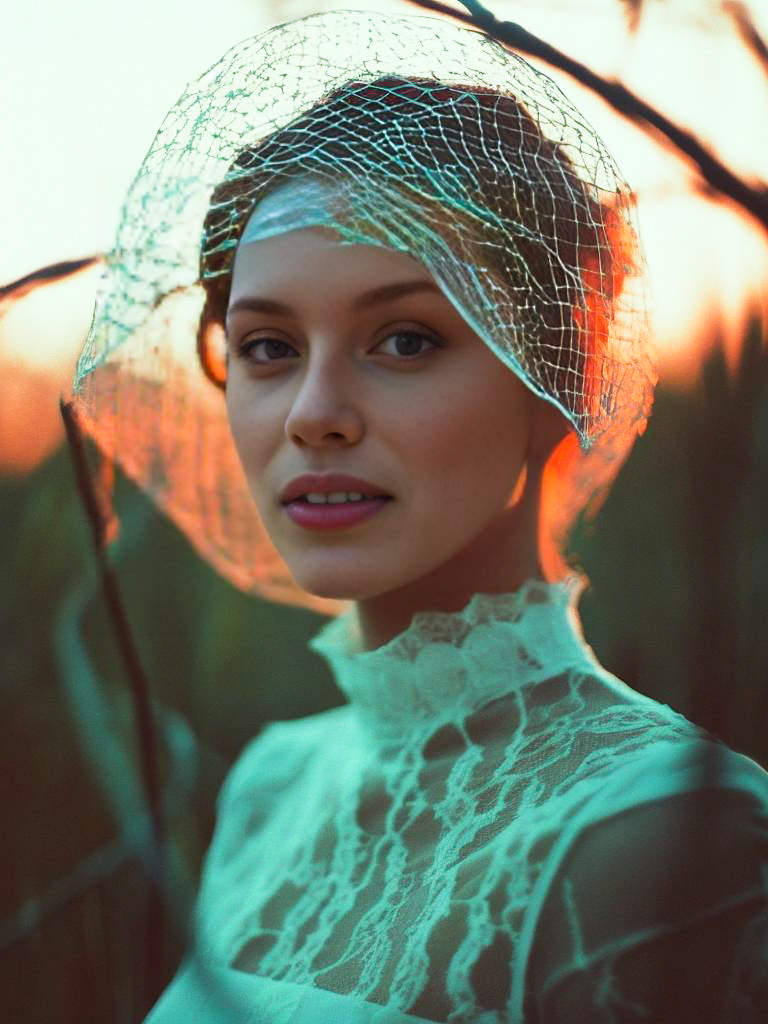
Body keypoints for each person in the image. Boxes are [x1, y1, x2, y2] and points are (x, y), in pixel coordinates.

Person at [71, 10, 768, 1022]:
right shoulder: (271, 787)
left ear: (561, 371)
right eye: (266, 346)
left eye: (403, 339)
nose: (313, 414)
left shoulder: (665, 832)